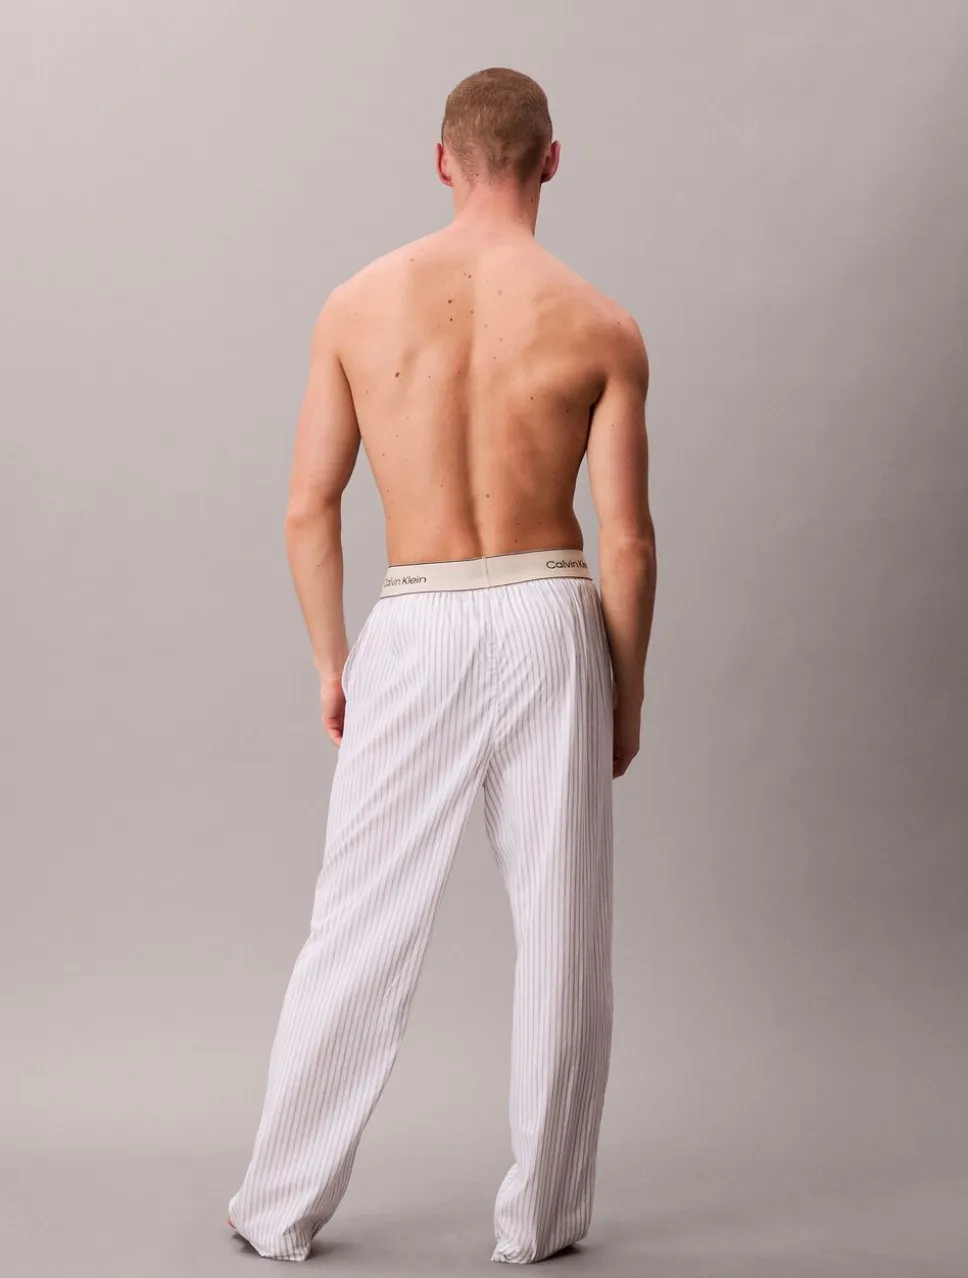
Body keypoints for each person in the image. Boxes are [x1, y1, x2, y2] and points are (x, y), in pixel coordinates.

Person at [227, 66, 657, 1264]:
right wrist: (625, 696)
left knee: (356, 926)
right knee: (562, 935)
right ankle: (542, 1222)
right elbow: (627, 540)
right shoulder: (601, 322)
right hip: (550, 612)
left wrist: (333, 661)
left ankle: (277, 1208)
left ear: (440, 161)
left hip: (414, 623)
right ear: (550, 161)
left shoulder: (357, 305)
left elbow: (308, 507)